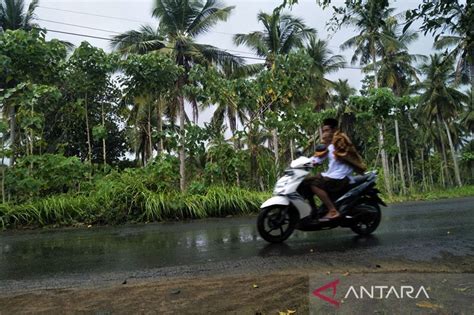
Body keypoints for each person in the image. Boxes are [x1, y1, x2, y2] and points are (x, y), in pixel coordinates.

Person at [304, 118, 367, 221]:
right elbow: (317, 159)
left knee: (314, 184)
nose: (324, 134)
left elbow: (348, 154)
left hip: (341, 177)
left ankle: (333, 211)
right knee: (306, 183)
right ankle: (313, 211)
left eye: (327, 130)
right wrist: (301, 163)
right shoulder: (329, 146)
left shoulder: (341, 141)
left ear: (334, 130)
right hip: (332, 175)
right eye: (323, 131)